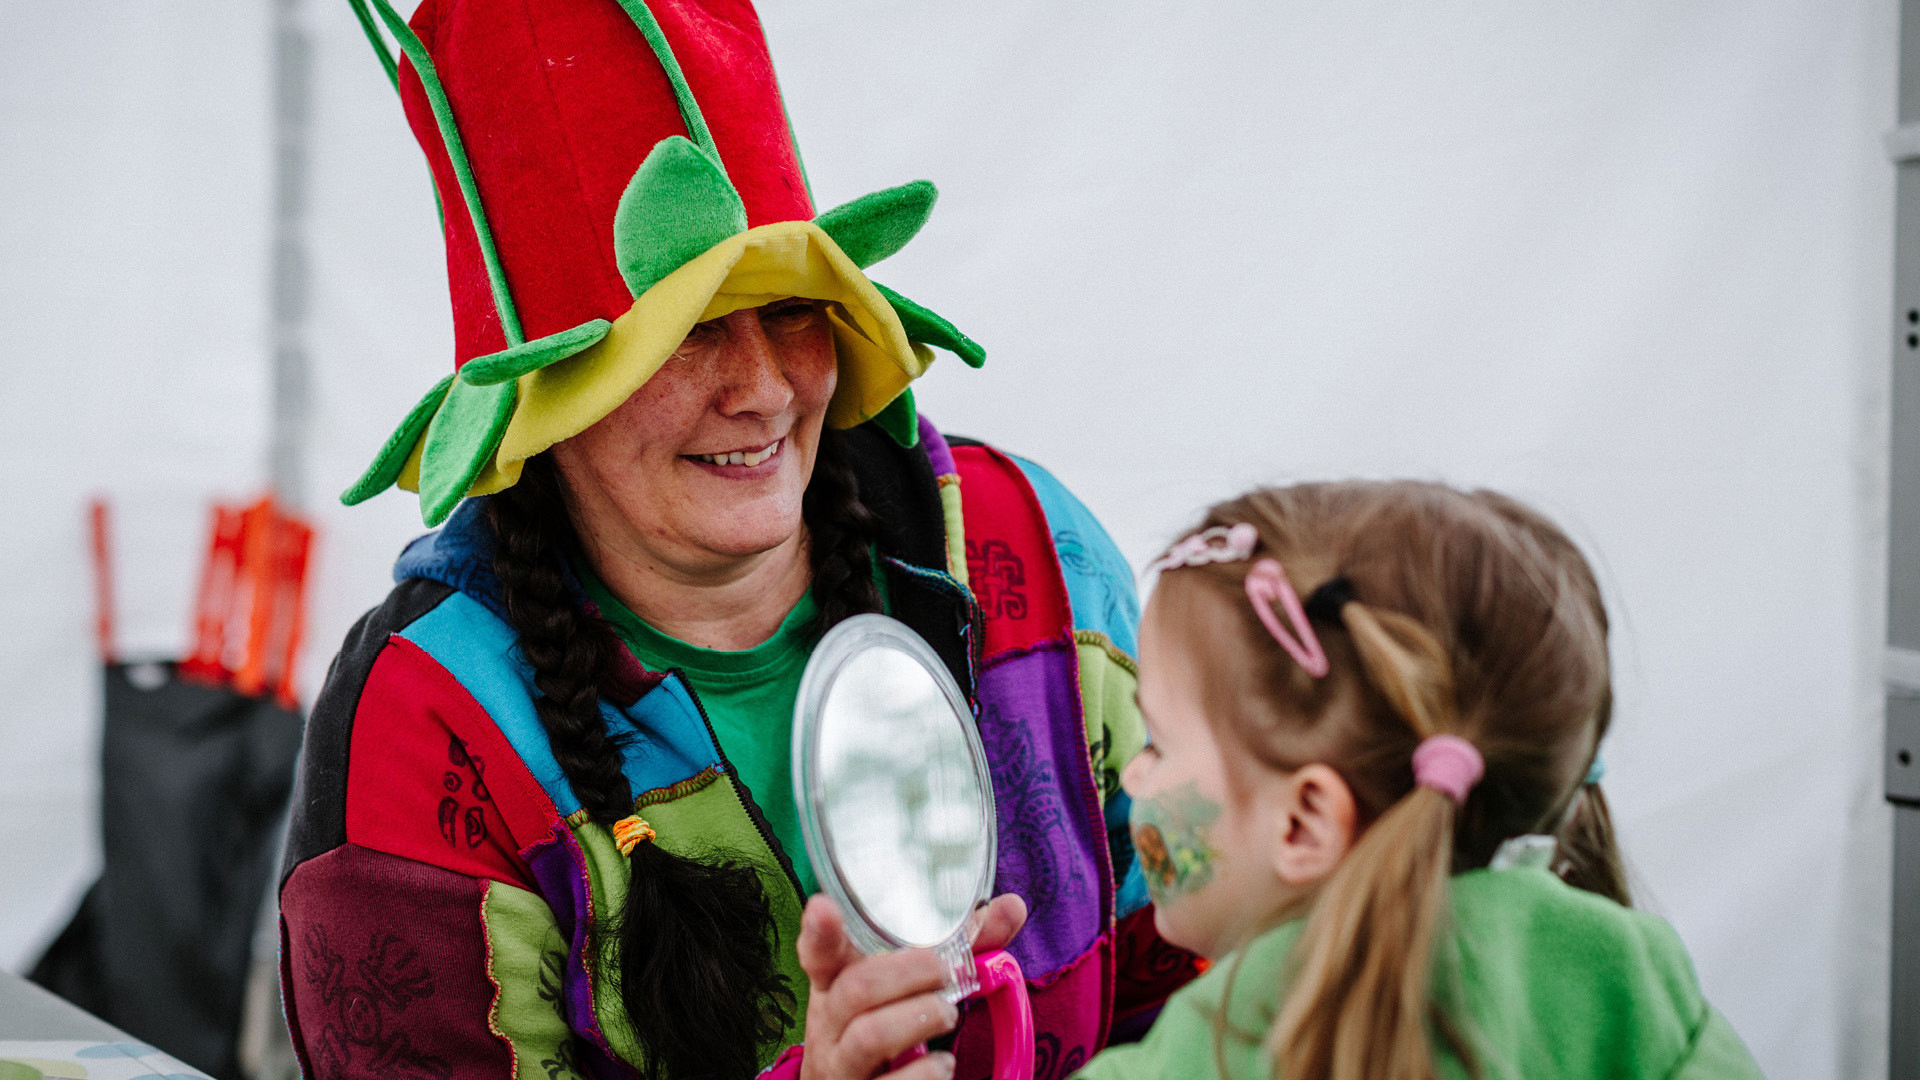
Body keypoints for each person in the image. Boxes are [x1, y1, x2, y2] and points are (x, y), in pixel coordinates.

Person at [277, 2, 1197, 1079]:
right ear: (546, 393)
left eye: (794, 308)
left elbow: (1216, 985)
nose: (763, 389)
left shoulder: (1032, 553)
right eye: (691, 330)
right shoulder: (433, 724)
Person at [1073, 482, 1764, 1080]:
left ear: (1305, 821)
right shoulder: (1641, 989)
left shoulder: (1208, 1056)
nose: (1132, 772)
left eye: (1157, 743)